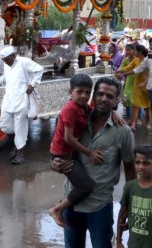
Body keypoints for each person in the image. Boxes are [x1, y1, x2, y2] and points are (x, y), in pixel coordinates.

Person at [50, 76, 135, 248]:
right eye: (100, 94)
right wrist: (54, 165)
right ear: (94, 96)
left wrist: (129, 206)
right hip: (72, 203)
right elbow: (59, 148)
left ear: (117, 100)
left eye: (110, 96)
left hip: (99, 207)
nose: (104, 98)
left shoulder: (123, 132)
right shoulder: (77, 118)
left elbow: (130, 171)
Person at [47, 74, 96, 227]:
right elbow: (68, 138)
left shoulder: (83, 107)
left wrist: (113, 113)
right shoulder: (70, 109)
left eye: (88, 92)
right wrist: (89, 153)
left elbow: (95, 114)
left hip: (71, 151)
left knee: (78, 182)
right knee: (85, 186)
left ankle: (64, 202)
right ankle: (57, 208)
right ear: (70, 92)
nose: (84, 96)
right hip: (62, 154)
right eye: (79, 92)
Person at [117, 144, 152, 248]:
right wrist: (119, 240)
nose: (141, 167)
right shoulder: (130, 187)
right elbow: (122, 215)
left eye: (146, 163)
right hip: (134, 244)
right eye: (137, 162)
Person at [0, 46, 44, 165]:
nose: (5, 62)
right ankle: (18, 143)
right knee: (5, 124)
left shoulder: (23, 62)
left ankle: (20, 153)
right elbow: (5, 77)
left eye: (6, 59)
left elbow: (39, 69)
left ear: (13, 56)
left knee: (20, 127)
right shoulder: (7, 65)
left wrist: (32, 85)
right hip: (9, 99)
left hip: (21, 99)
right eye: (3, 60)